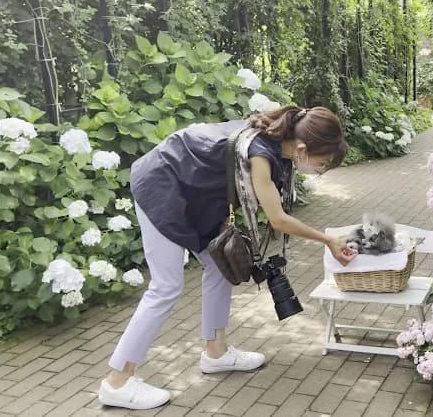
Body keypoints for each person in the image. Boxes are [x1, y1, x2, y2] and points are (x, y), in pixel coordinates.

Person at [97, 106, 357, 410]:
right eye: (322, 163)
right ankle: (117, 381)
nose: (321, 172)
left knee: (219, 269)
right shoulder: (262, 152)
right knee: (166, 286)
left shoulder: (278, 141)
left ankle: (216, 352)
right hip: (162, 186)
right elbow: (278, 219)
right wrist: (328, 239)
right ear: (301, 149)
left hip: (195, 195)